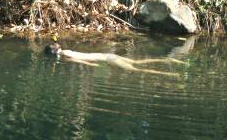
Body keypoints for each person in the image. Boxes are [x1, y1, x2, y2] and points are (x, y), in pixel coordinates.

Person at [44, 43, 185, 77]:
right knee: (137, 63)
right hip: (108, 55)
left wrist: (94, 66)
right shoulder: (67, 50)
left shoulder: (65, 56)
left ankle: (169, 74)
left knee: (137, 69)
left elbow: (81, 62)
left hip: (108, 60)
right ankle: (167, 60)